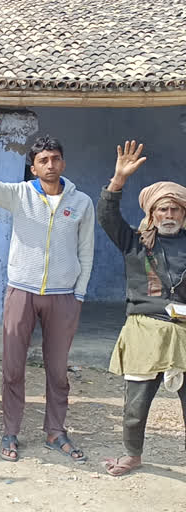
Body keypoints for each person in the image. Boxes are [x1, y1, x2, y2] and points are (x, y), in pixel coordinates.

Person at [0, 105, 95, 463]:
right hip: (21, 292)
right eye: (43, 160)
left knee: (57, 371)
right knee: (12, 368)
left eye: (55, 158)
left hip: (63, 297)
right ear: (34, 166)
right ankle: (11, 431)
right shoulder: (20, 194)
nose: (50, 165)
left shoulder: (81, 203)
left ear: (63, 163)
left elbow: (87, 251)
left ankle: (56, 431)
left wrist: (79, 294)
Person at [97, 140, 186, 476]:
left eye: (175, 209)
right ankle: (132, 455)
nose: (168, 215)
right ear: (151, 213)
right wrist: (118, 179)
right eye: (162, 209)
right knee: (136, 403)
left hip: (184, 332)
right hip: (144, 329)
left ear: (183, 213)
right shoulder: (135, 241)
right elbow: (107, 215)